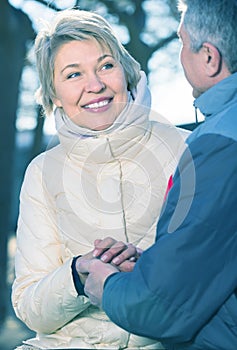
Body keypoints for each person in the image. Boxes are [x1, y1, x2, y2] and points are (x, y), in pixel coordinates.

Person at [11, 8, 189, 350]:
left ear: (128, 72)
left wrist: (146, 268)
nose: (95, 86)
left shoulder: (186, 149)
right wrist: (78, 275)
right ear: (53, 95)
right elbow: (31, 308)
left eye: (106, 66)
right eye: (73, 75)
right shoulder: (42, 173)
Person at [77, 0, 237, 349]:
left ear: (209, 57)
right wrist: (149, 268)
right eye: (74, 73)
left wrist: (107, 285)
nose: (93, 85)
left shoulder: (219, 144)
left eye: (181, 42)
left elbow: (160, 305)